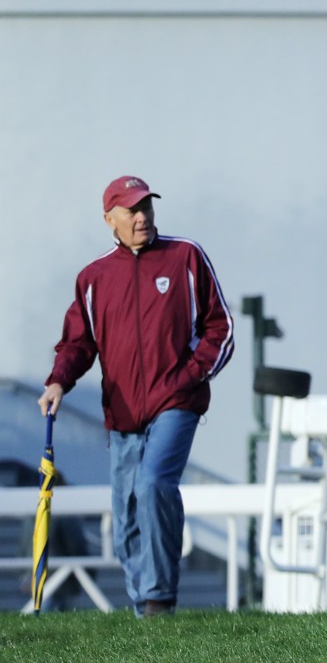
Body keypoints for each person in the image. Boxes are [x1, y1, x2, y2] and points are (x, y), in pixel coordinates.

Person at [38, 175, 235, 618]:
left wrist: (191, 376)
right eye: (132, 209)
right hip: (123, 414)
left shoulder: (186, 256)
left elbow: (219, 327)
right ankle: (140, 607)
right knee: (125, 514)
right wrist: (58, 382)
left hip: (176, 402)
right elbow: (78, 344)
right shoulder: (93, 278)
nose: (143, 216)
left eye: (147, 207)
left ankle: (158, 601)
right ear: (110, 218)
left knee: (153, 486)